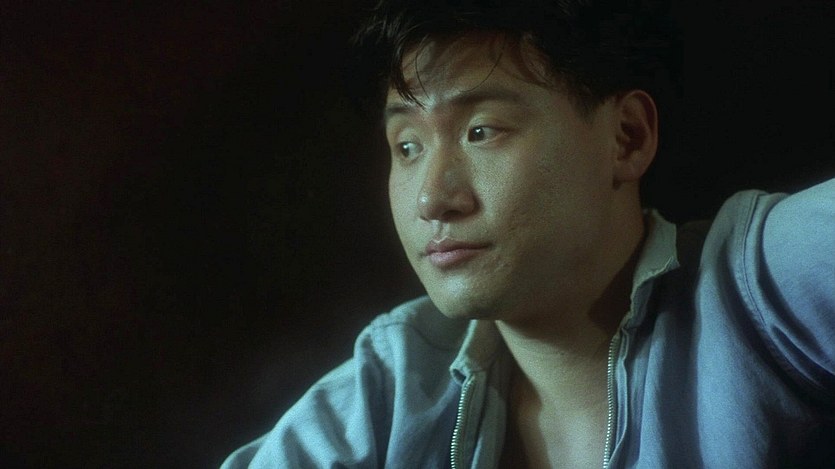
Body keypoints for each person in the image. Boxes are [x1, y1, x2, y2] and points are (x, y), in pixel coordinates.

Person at [222, 0, 835, 467]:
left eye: (482, 131)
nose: (432, 198)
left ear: (627, 137)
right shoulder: (398, 385)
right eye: (407, 146)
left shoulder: (755, 288)